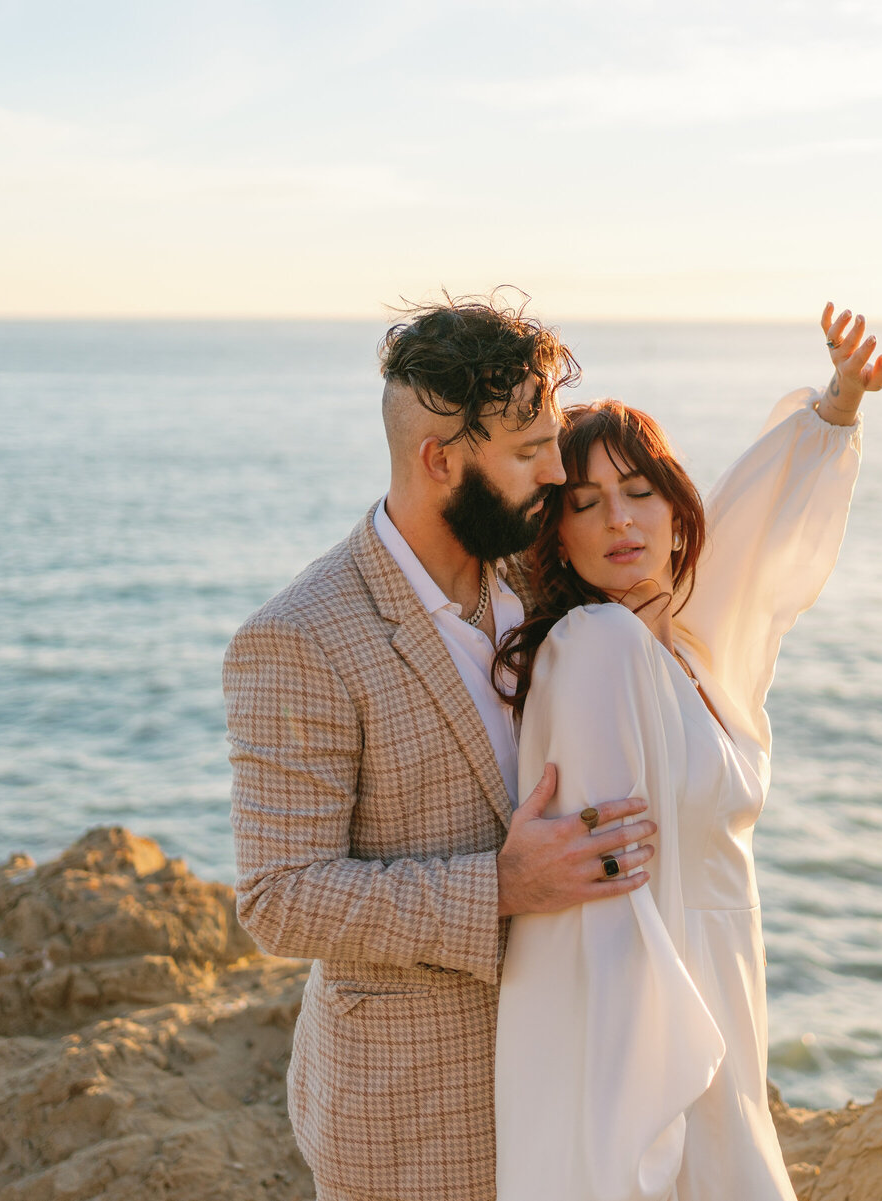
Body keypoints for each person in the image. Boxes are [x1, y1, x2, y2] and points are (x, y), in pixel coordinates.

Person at [223, 293, 662, 1201]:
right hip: (412, 1115)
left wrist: (829, 420)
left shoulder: (536, 574)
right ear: (440, 460)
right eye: (531, 451)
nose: (556, 472)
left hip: (569, 1084)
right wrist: (504, 885)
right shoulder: (299, 637)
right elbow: (278, 896)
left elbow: (683, 552)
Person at [493, 304, 882, 1200]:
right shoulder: (598, 646)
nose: (619, 521)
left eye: (640, 493)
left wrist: (838, 404)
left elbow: (755, 531)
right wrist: (649, 1113)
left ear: (678, 510)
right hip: (647, 1042)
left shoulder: (692, 651)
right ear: (557, 534)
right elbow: (607, 892)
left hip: (722, 1001)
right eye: (584, 504)